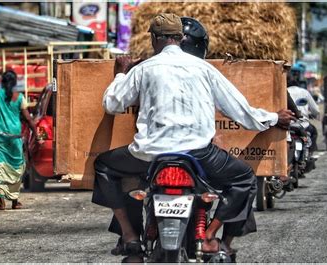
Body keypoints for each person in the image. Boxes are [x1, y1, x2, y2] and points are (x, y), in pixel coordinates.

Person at [91, 13, 295, 261]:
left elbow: (112, 104)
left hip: (150, 155)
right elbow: (241, 112)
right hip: (199, 154)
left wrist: (122, 72)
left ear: (155, 39)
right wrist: (274, 118)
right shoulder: (204, 69)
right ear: (179, 38)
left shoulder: (143, 69)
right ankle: (210, 236)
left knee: (103, 165)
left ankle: (130, 235)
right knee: (244, 178)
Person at [0, 71, 39, 210]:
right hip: (14, 138)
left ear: (2, 82)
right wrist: (36, 134)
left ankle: (2, 203)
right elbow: (28, 118)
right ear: (15, 83)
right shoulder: (19, 97)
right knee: (15, 168)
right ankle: (15, 201)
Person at [287, 78, 320, 153]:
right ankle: (311, 153)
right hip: (303, 124)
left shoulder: (284, 91)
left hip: (287, 124)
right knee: (313, 132)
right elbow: (316, 110)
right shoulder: (304, 92)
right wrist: (313, 114)